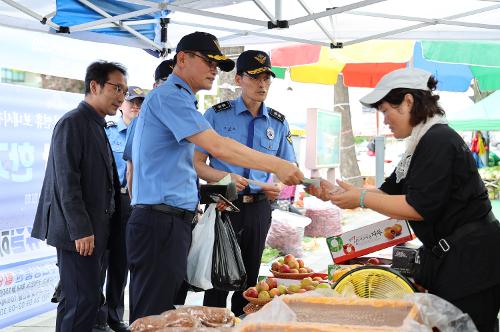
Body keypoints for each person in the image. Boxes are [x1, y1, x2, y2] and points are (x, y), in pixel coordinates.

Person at [127, 31, 303, 322]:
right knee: (152, 317)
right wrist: (276, 164)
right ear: (182, 59)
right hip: (161, 221)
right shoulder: (171, 97)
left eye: (217, 64)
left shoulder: (183, 100)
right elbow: (217, 147)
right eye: (208, 61)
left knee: (164, 315)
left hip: (177, 220)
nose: (213, 69)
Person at [306, 68, 500, 332]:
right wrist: (338, 193)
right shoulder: (420, 143)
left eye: (386, 110)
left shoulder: (438, 140)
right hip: (452, 260)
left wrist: (361, 198)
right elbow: (388, 195)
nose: (384, 120)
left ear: (408, 101)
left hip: (471, 263)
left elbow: (416, 208)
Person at [194, 50, 296, 316]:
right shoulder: (216, 115)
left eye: (266, 78)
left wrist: (277, 187)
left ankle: (243, 322)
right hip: (223, 206)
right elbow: (197, 164)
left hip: (259, 209)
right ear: (239, 79)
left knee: (250, 280)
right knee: (217, 276)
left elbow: (289, 167)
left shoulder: (278, 122)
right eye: (254, 77)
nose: (262, 84)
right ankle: (213, 322)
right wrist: (224, 179)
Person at [31, 61, 126, 332]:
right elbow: (66, 182)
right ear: (94, 86)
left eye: (124, 91)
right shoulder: (73, 123)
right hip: (79, 236)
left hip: (96, 231)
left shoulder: (96, 124)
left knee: (83, 300)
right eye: (116, 88)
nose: (121, 96)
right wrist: (80, 231)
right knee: (80, 302)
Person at [94, 86, 145, 332]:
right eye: (131, 101)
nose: (135, 106)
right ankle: (98, 316)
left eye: (140, 103)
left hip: (130, 202)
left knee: (121, 261)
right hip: (107, 203)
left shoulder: (147, 133)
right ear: (122, 104)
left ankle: (115, 316)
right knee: (101, 259)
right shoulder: (108, 130)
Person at [122, 59, 175, 196]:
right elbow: (131, 170)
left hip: (181, 207)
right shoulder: (139, 122)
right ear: (155, 85)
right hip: (148, 203)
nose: (173, 87)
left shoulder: (188, 120)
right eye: (166, 81)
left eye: (178, 83)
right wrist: (135, 203)